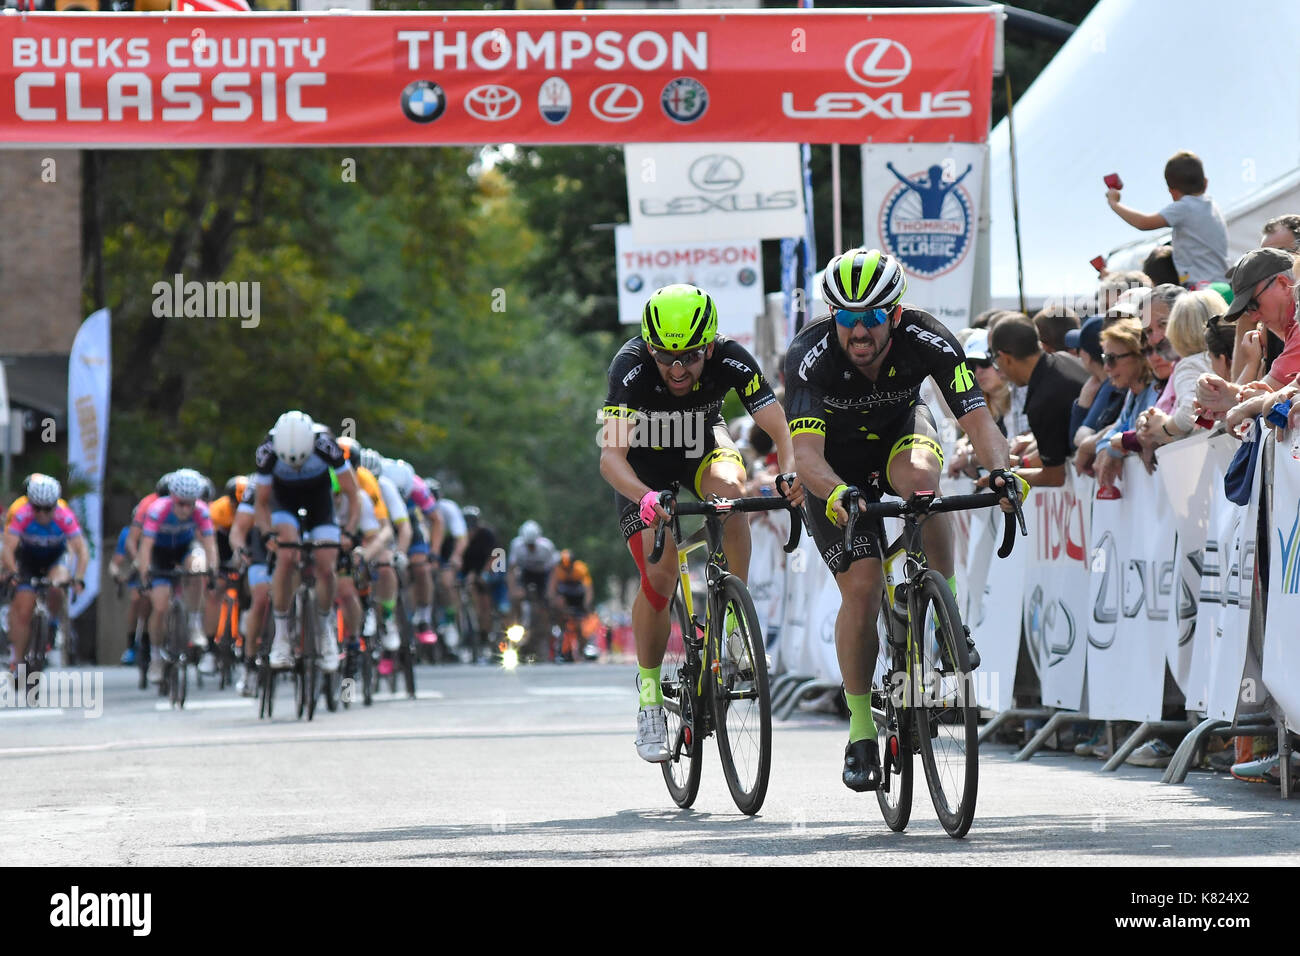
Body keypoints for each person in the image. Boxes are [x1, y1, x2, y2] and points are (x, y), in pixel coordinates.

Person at [783, 249, 1019, 792]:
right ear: (831, 316)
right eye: (846, 317)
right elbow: (807, 458)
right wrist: (841, 492)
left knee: (921, 482)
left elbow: (977, 419)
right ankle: (862, 730)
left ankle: (946, 609)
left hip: (898, 436)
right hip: (833, 468)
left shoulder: (928, 337)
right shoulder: (809, 354)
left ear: (895, 314)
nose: (859, 329)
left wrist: (1003, 474)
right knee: (862, 591)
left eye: (871, 316)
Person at [598, 283, 801, 764]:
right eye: (665, 355)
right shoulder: (629, 368)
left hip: (702, 442)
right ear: (649, 347)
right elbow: (611, 458)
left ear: (709, 345)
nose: (676, 368)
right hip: (643, 467)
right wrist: (645, 498)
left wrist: (789, 470)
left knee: (730, 493)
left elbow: (782, 428)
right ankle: (650, 699)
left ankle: (733, 624)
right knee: (661, 575)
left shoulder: (732, 357)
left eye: (690, 356)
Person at [253, 410, 358, 673]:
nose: (297, 465)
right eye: (291, 462)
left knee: (326, 564)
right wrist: (267, 534)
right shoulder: (266, 451)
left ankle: (325, 629)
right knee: (286, 556)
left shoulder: (325, 445)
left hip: (319, 499)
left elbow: (352, 494)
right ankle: (282, 634)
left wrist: (349, 532)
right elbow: (262, 502)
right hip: (284, 499)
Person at [134, 468, 219, 684]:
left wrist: (213, 572)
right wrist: (145, 576)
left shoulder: (201, 510)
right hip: (159, 554)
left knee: (197, 567)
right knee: (160, 607)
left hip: (184, 549)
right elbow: (146, 547)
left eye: (190, 504)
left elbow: (210, 546)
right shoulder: (157, 509)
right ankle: (155, 657)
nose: (185, 509)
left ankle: (194, 623)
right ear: (172, 498)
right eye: (181, 503)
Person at [988, 314, 1089, 487]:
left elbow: (1054, 477)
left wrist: (1006, 477)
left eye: (995, 362)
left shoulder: (1042, 401)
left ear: (1005, 357)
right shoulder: (1065, 359)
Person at [2, 475, 88, 680]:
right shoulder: (21, 514)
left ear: (54, 506)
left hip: (54, 559)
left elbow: (81, 549)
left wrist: (79, 577)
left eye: (47, 509)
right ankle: (18, 659)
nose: (41, 514)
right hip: (28, 561)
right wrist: (13, 573)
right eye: (36, 508)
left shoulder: (64, 516)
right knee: (23, 609)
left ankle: (52, 624)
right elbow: (8, 549)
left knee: (58, 585)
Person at [1198, 249, 1300, 419]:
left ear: (1283, 283)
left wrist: (1225, 396)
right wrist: (1223, 396)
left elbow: (1265, 397)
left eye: (1252, 304)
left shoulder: (1297, 330)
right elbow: (1263, 398)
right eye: (1246, 310)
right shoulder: (1289, 330)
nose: (1252, 317)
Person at [1105, 150, 1228, 288]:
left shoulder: (1184, 207)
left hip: (1201, 287)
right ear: (1205, 183)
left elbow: (1143, 223)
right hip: (1222, 284)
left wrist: (1114, 204)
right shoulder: (1213, 207)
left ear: (1172, 192)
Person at [1136, 289, 1228, 448]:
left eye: (1165, 324)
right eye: (1149, 331)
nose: (1157, 338)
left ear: (1177, 327)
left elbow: (1189, 415)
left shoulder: (1189, 365)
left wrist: (1164, 426)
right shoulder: (1232, 355)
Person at [1094, 319, 1161, 493]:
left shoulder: (1155, 388)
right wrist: (1106, 447)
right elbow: (1116, 431)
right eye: (1104, 359)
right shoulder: (1133, 392)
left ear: (1139, 355)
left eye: (1111, 359)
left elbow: (1144, 433)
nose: (1106, 368)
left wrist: (1112, 449)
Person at [507, 520, 559, 659]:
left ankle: (545, 630)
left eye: (532, 545)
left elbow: (554, 571)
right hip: (526, 574)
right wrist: (513, 590)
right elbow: (511, 570)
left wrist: (550, 591)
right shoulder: (516, 545)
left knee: (546, 602)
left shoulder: (547, 547)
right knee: (516, 599)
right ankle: (516, 624)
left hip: (542, 575)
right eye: (527, 545)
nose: (530, 547)